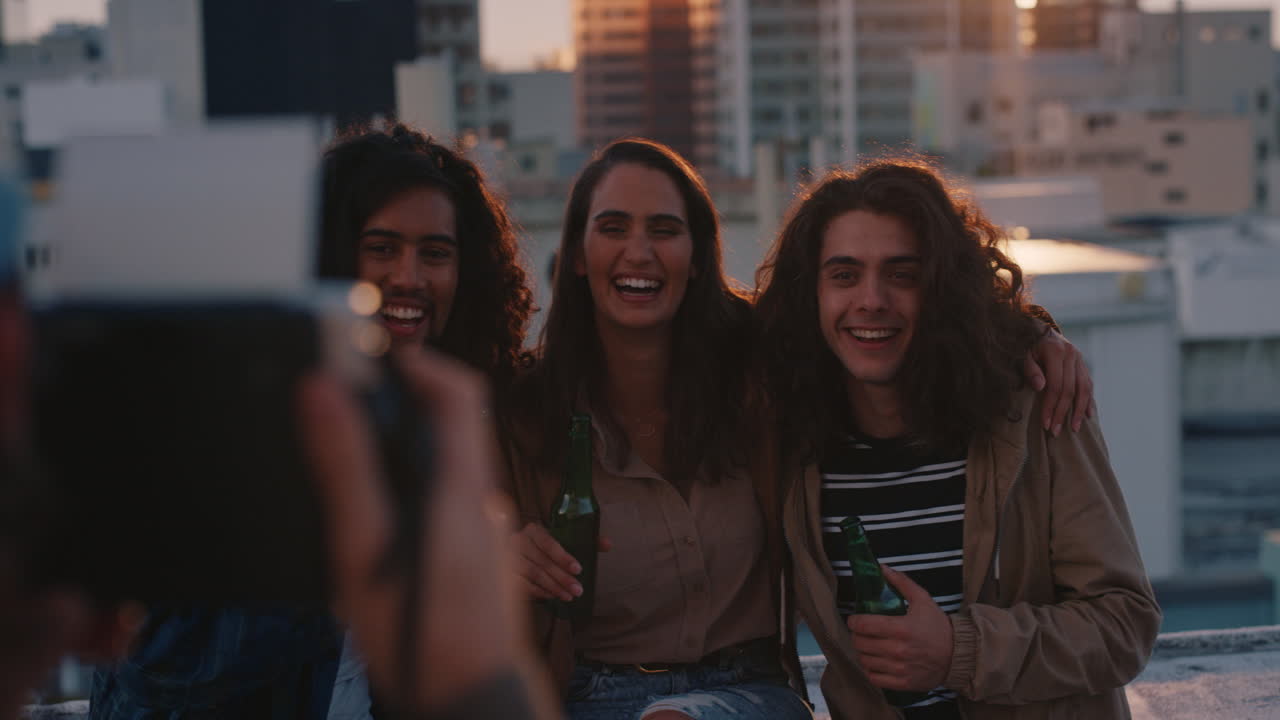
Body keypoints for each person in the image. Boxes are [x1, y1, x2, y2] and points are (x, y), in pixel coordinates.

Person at [504, 139, 1093, 720]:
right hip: (586, 697)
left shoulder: (764, 379)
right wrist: (506, 558)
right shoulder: (526, 415)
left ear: (698, 252)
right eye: (612, 228)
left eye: (663, 229)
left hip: (747, 693)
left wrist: (1030, 334)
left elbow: (887, 322)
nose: (639, 251)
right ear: (577, 253)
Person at [91, 122, 536, 720]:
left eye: (435, 254)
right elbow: (156, 658)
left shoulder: (445, 424)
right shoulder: (232, 415)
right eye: (381, 248)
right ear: (328, 255)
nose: (409, 277)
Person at [753, 159, 1160, 720]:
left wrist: (958, 651)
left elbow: (1125, 622)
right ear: (810, 294)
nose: (871, 299)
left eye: (903, 274)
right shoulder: (789, 439)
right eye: (844, 275)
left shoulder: (1035, 409)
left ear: (942, 289)